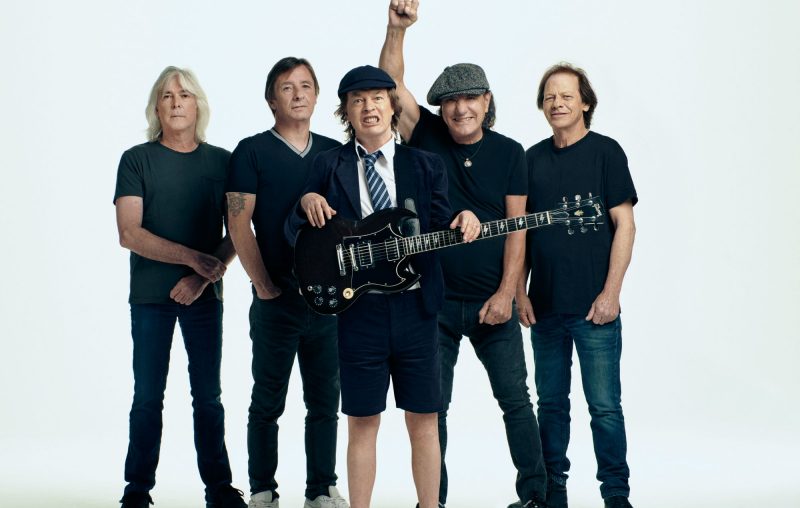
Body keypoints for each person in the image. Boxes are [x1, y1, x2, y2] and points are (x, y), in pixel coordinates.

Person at [285, 65, 480, 508]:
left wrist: (463, 219)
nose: (368, 107)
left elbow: (441, 221)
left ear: (393, 107)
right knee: (362, 422)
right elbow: (295, 234)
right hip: (359, 312)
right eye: (357, 101)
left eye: (377, 98)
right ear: (346, 112)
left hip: (417, 310)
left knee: (424, 420)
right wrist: (305, 202)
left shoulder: (425, 164)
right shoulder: (328, 165)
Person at [378, 2, 547, 506]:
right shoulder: (426, 135)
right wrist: (396, 30)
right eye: (450, 101)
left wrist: (507, 293)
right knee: (433, 409)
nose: (460, 109)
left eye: (470, 98)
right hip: (434, 303)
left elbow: (518, 230)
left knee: (516, 401)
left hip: (493, 302)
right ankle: (435, 501)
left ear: (486, 100)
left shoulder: (511, 152)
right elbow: (390, 85)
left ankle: (535, 496)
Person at [113, 66, 245, 508]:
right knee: (147, 397)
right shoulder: (136, 160)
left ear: (198, 105)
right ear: (156, 107)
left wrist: (202, 277)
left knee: (208, 397)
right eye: (167, 96)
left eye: (184, 94)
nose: (175, 102)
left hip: (204, 300)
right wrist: (193, 258)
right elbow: (129, 232)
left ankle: (219, 488)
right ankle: (137, 490)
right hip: (150, 299)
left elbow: (241, 230)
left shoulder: (223, 162)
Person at [225, 57, 348, 508]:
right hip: (276, 299)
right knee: (268, 400)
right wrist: (263, 285)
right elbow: (239, 224)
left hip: (329, 303)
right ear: (271, 100)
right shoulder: (251, 151)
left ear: (317, 95)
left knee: (325, 402)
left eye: (305, 86)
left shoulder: (335, 152)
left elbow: (352, 225)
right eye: (286, 87)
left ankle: (321, 489)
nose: (298, 94)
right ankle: (262, 489)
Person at [517, 63, 637, 508]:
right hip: (545, 308)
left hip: (594, 309)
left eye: (567, 95)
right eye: (550, 96)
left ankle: (616, 494)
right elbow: (521, 234)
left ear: (585, 102)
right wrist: (519, 292)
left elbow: (625, 225)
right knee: (550, 405)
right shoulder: (530, 159)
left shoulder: (606, 153)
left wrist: (611, 294)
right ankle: (553, 493)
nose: (557, 103)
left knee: (604, 407)